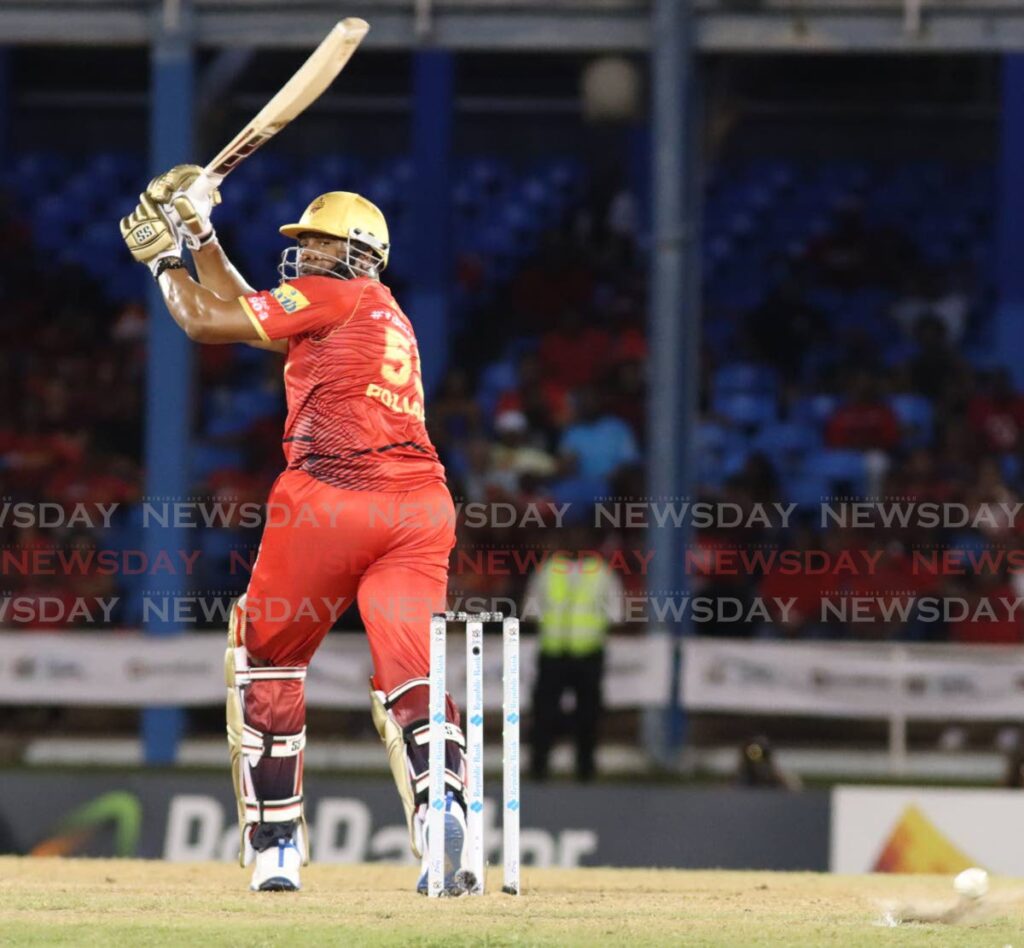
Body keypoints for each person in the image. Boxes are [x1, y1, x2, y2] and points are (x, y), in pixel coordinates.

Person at [120, 168, 471, 895]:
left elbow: (205, 322)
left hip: (332, 500)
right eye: (303, 245)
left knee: (266, 659)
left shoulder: (329, 293)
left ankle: (277, 842)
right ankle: (445, 818)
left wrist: (160, 262)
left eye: (317, 244)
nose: (305, 256)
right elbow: (250, 307)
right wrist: (200, 235)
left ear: (354, 252)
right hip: (421, 508)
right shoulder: (381, 309)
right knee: (412, 672)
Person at [523, 523, 623, 782]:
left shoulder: (602, 573)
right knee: (544, 713)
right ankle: (538, 767)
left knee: (588, 714)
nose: (575, 540)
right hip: (553, 653)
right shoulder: (547, 571)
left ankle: (585, 769)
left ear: (590, 540)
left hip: (588, 654)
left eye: (581, 535)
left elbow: (616, 612)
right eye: (571, 534)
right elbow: (532, 610)